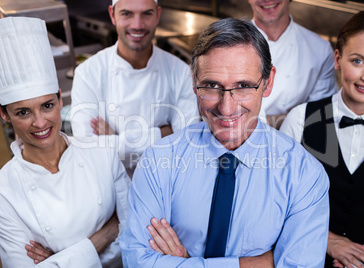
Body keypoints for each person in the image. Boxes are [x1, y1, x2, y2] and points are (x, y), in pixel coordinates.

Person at [119, 18, 330, 267]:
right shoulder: (158, 161)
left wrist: (187, 262)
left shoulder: (304, 175)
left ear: (268, 82)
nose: (226, 107)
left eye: (243, 86)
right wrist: (257, 263)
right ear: (194, 81)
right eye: (211, 86)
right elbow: (137, 261)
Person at [0, 17, 130, 267]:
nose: (40, 123)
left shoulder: (102, 152)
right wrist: (103, 236)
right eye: (23, 112)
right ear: (4, 115)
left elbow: (134, 233)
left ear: (60, 99)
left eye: (47, 106)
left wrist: (60, 261)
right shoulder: (5, 193)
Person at [280, 10, 364, 268]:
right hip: (303, 257)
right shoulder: (301, 119)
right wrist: (327, 240)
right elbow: (277, 199)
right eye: (358, 61)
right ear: (337, 59)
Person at [70, 0, 199, 177]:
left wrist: (115, 140)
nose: (137, 25)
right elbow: (90, 152)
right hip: (111, 194)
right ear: (112, 15)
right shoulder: (88, 73)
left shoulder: (181, 72)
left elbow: (185, 146)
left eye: (146, 13)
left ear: (158, 15)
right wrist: (163, 133)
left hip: (165, 187)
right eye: (127, 14)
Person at [247, 0, 338, 128]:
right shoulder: (227, 46)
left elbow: (318, 118)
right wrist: (288, 119)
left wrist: (251, 122)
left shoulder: (320, 49)